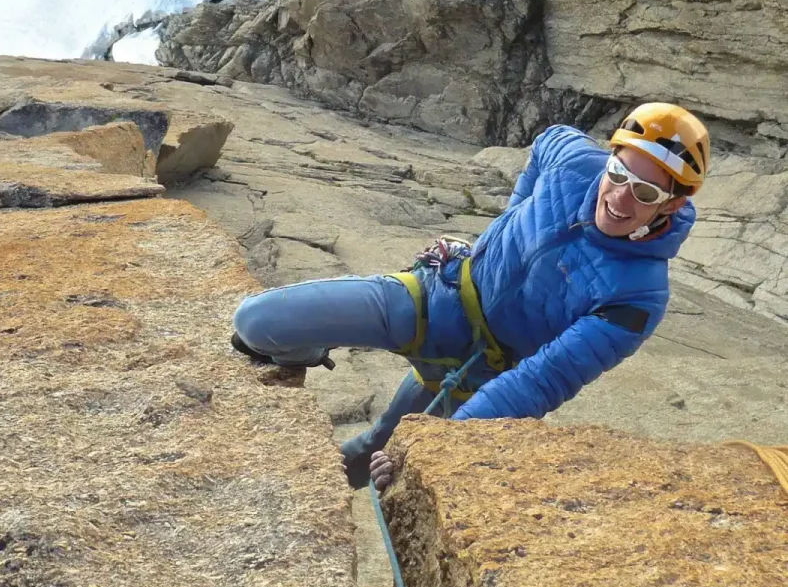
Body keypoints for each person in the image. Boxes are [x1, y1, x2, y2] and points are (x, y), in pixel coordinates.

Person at [231, 103, 709, 490]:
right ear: (610, 158)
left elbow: (542, 381)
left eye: (645, 193)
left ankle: (331, 483)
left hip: (477, 377)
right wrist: (506, 224)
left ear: (673, 203)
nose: (621, 197)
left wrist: (432, 448)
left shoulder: (638, 296)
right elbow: (548, 140)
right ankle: (313, 353)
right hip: (437, 297)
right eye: (619, 174)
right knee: (254, 323)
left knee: (382, 448)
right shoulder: (575, 164)